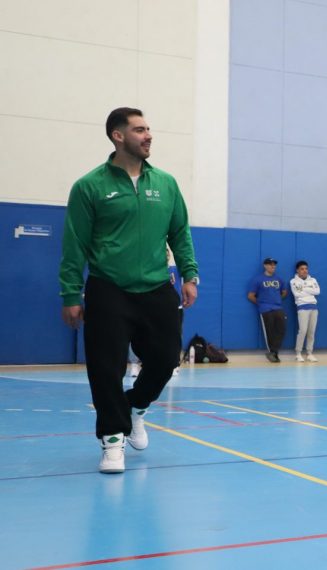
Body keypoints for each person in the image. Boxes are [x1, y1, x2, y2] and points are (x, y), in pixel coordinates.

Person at [59, 107, 199, 474]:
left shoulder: (166, 183)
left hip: (156, 286)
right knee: (105, 368)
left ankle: (135, 406)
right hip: (108, 288)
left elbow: (180, 232)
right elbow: (74, 244)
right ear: (117, 136)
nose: (148, 135)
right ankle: (112, 440)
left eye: (149, 128)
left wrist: (189, 274)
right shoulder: (89, 186)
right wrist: (70, 294)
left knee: (166, 359)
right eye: (139, 129)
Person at [248, 258, 287, 362]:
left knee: (281, 330)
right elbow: (251, 295)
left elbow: (284, 292)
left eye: (274, 264)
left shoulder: (279, 279)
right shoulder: (258, 279)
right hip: (265, 309)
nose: (273, 266)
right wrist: (262, 303)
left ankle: (274, 352)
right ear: (265, 266)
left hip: (278, 308)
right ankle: (272, 352)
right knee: (269, 331)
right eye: (270, 264)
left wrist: (277, 300)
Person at [291, 260, 321, 362]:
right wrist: (309, 290)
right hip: (302, 307)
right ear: (297, 270)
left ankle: (309, 353)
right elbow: (297, 294)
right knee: (303, 331)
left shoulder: (313, 280)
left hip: (313, 307)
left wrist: (304, 288)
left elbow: (317, 291)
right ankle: (298, 353)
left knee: (311, 331)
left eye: (306, 269)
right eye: (302, 269)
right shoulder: (293, 281)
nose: (304, 271)